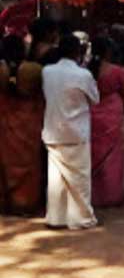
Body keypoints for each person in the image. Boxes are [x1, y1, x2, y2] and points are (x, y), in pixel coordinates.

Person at [42, 34, 99, 229]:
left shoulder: (47, 71)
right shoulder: (84, 75)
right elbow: (95, 99)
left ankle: (56, 218)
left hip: (53, 132)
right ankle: (82, 218)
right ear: (78, 52)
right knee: (80, 179)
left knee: (56, 179)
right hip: (76, 133)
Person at [0, 35, 45, 215]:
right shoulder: (35, 69)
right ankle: (25, 203)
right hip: (29, 121)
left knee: (4, 162)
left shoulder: (2, 69)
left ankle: (5, 203)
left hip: (4, 118)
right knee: (30, 163)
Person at [89, 37, 124, 207]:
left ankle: (94, 196)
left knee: (94, 155)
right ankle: (112, 195)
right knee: (112, 157)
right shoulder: (116, 71)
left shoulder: (87, 69)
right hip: (113, 115)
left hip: (92, 113)